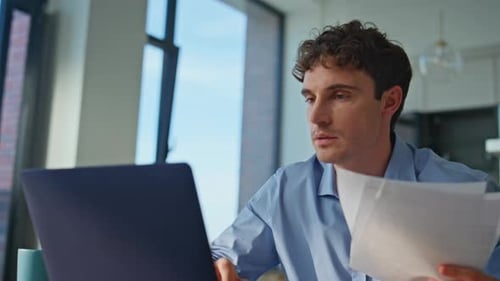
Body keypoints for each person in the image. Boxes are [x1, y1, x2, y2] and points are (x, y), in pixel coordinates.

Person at [210, 20, 500, 281]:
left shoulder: (471, 193)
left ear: (389, 102)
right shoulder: (285, 190)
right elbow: (217, 262)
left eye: (339, 96)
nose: (316, 117)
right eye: (310, 98)